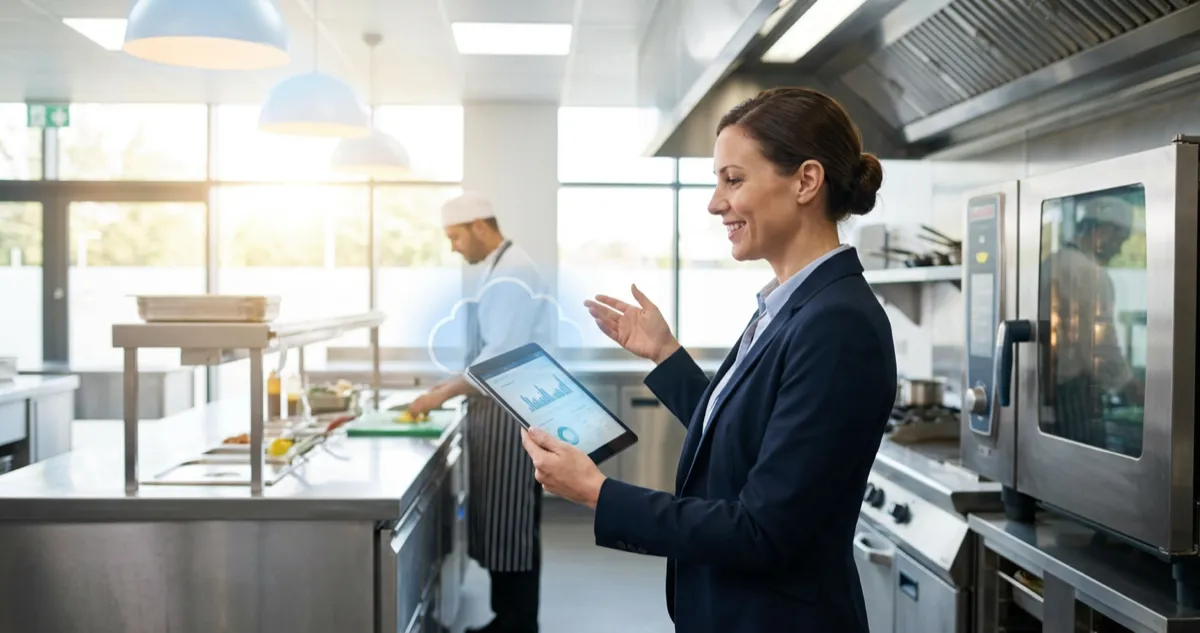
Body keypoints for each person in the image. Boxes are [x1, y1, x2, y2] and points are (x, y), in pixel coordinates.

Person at [518, 87, 897, 633]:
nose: (715, 203)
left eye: (733, 180)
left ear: (805, 182)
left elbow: (762, 531)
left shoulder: (837, 324)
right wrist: (665, 354)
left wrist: (599, 493)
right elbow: (745, 434)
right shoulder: (788, 304)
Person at [409, 192, 554, 633]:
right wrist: (448, 385)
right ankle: (507, 620)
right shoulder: (500, 267)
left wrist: (441, 394)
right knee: (502, 525)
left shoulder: (512, 274)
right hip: (499, 412)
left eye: (455, 237)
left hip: (513, 416)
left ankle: (516, 625)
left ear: (478, 226)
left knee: (512, 527)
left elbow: (499, 358)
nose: (453, 247)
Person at [1042, 195, 1143, 449]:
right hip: (1072, 396)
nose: (1119, 250)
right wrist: (1129, 386)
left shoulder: (1050, 263)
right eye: (1120, 241)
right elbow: (1102, 347)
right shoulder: (1091, 274)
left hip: (1042, 394)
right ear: (1103, 232)